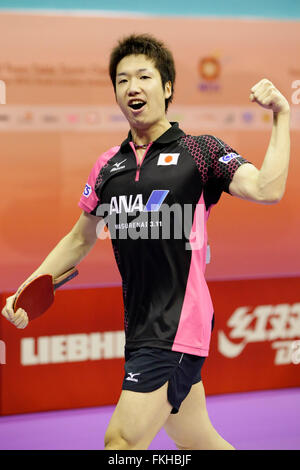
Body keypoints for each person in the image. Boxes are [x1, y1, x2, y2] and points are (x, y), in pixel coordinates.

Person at [1, 34, 290, 450]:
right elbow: (79, 239)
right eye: (122, 80)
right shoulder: (108, 167)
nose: (132, 87)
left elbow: (267, 187)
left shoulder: (201, 152)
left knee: (121, 442)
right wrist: (31, 285)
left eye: (144, 77)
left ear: (167, 87)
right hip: (140, 327)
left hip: (177, 325)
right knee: (197, 440)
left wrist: (281, 115)